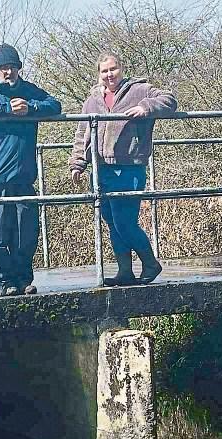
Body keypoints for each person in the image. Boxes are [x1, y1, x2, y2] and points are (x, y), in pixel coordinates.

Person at [0, 44, 62, 296]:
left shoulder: (28, 91)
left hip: (23, 176)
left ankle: (24, 279)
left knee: (25, 234)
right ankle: (4, 282)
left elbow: (55, 104)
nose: (9, 72)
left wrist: (31, 109)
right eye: (4, 67)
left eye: (13, 67)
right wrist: (7, 109)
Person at [69, 52, 177, 286]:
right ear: (99, 74)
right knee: (111, 220)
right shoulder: (92, 100)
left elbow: (169, 100)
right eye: (104, 71)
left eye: (113, 69)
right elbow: (82, 134)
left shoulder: (139, 90)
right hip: (101, 168)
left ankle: (150, 263)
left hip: (129, 167)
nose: (109, 75)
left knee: (124, 222)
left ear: (121, 69)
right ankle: (125, 271)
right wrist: (78, 163)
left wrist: (146, 107)